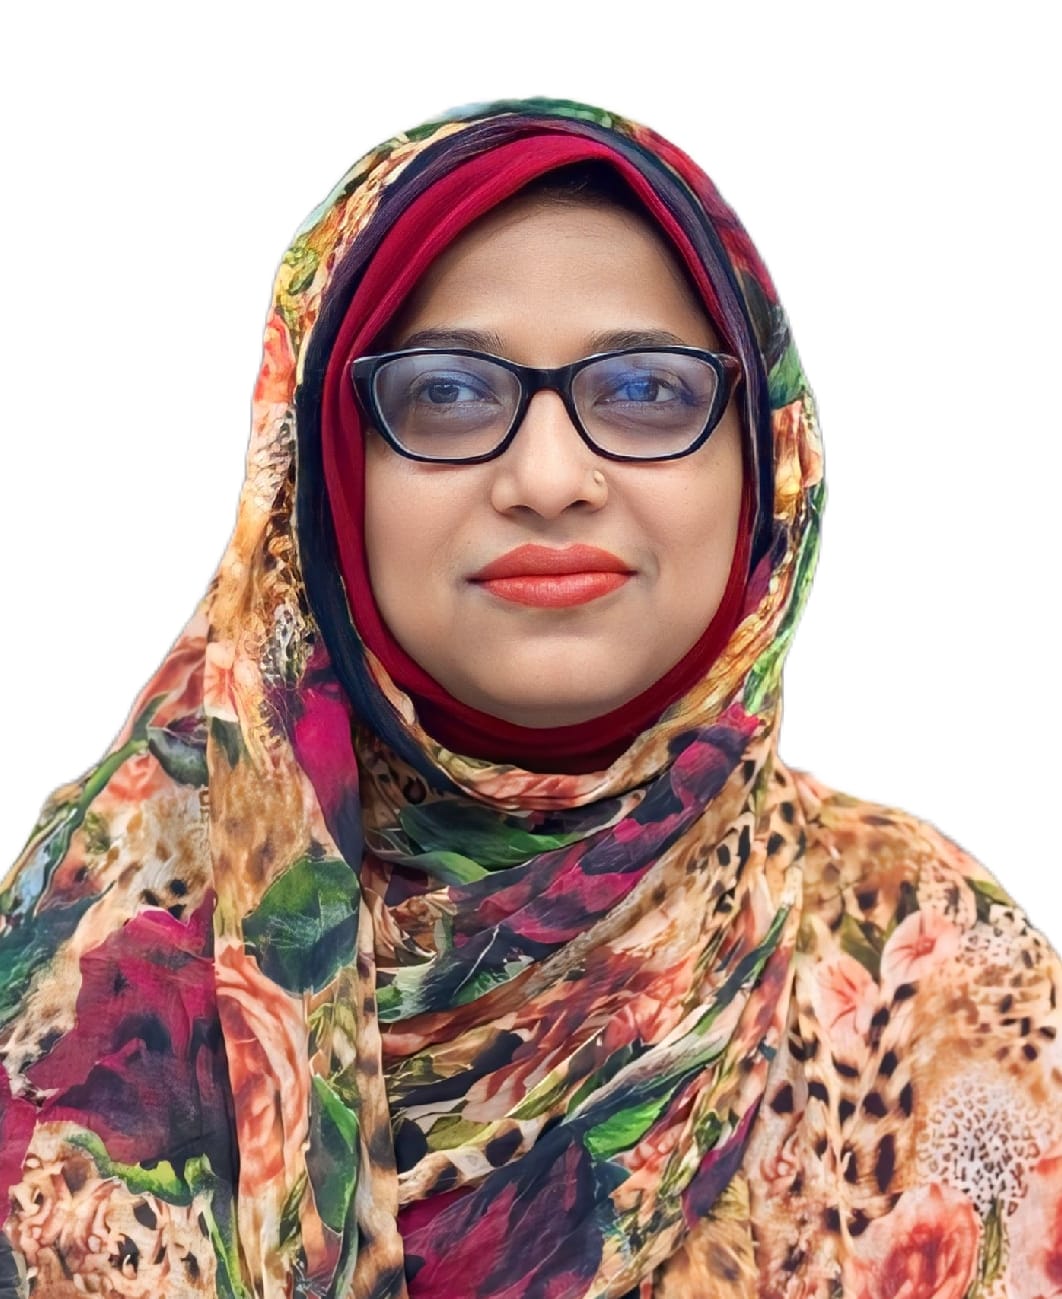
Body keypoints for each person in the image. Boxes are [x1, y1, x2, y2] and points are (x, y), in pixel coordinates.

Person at [0, 94, 1058, 1299]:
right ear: (324, 472)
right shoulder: (86, 953)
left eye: (646, 391)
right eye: (447, 393)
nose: (550, 479)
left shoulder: (936, 966)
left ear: (765, 461)